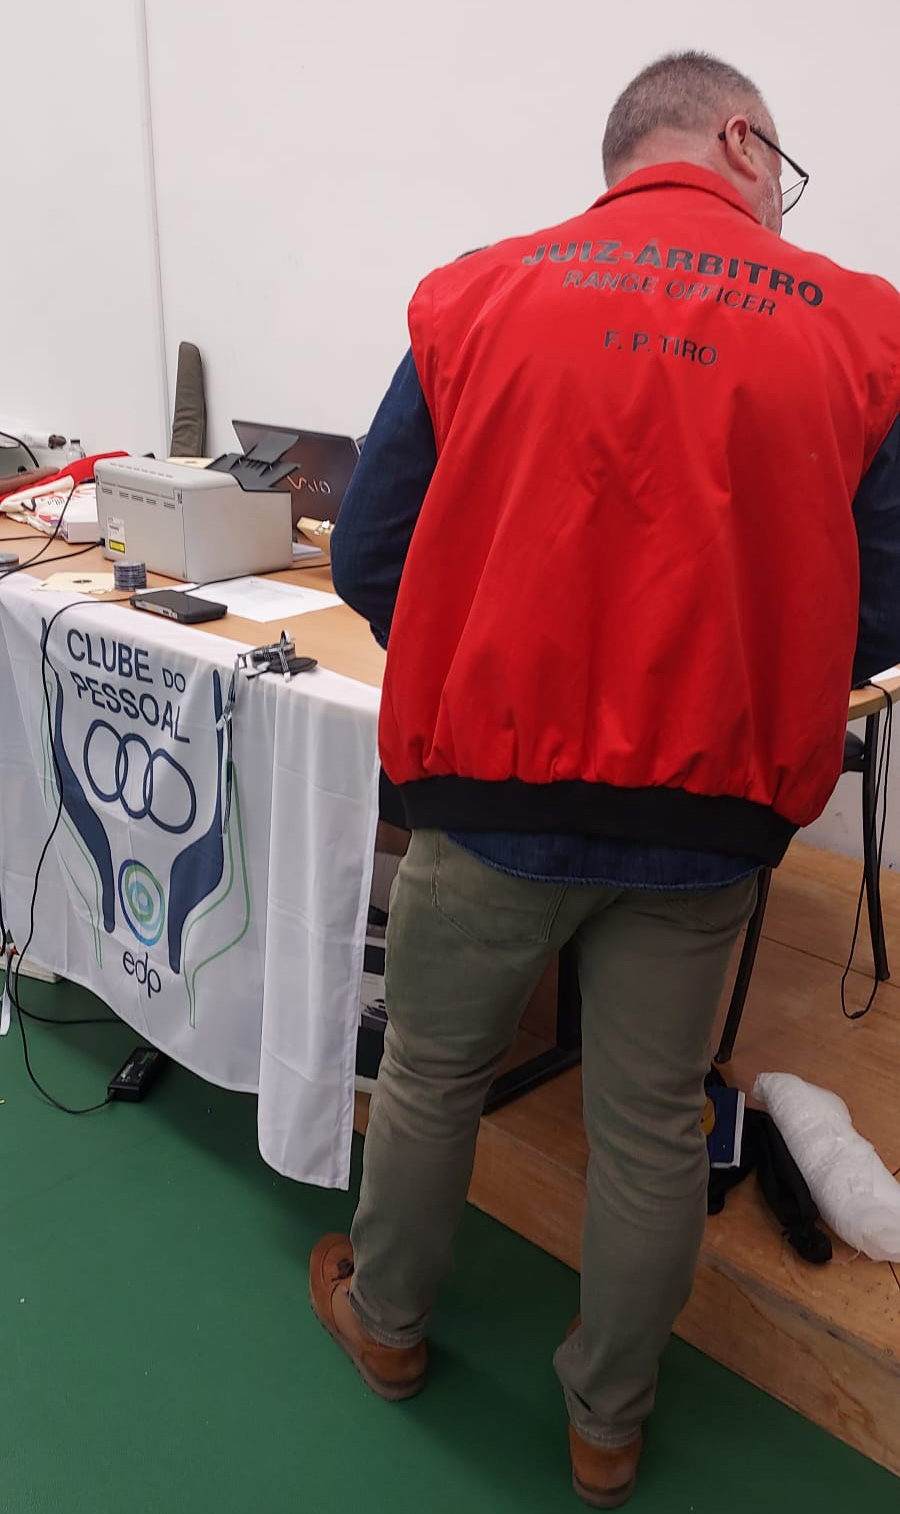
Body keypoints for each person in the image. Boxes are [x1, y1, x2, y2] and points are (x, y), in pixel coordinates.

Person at [312, 50, 900, 1509]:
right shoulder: (863, 330)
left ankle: (387, 1328)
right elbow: (883, 597)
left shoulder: (475, 297)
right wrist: (756, 684)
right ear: (741, 140)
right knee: (647, 1129)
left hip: (487, 797)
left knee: (433, 1076)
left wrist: (474, 660)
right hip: (710, 823)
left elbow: (369, 554)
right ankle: (607, 1427)